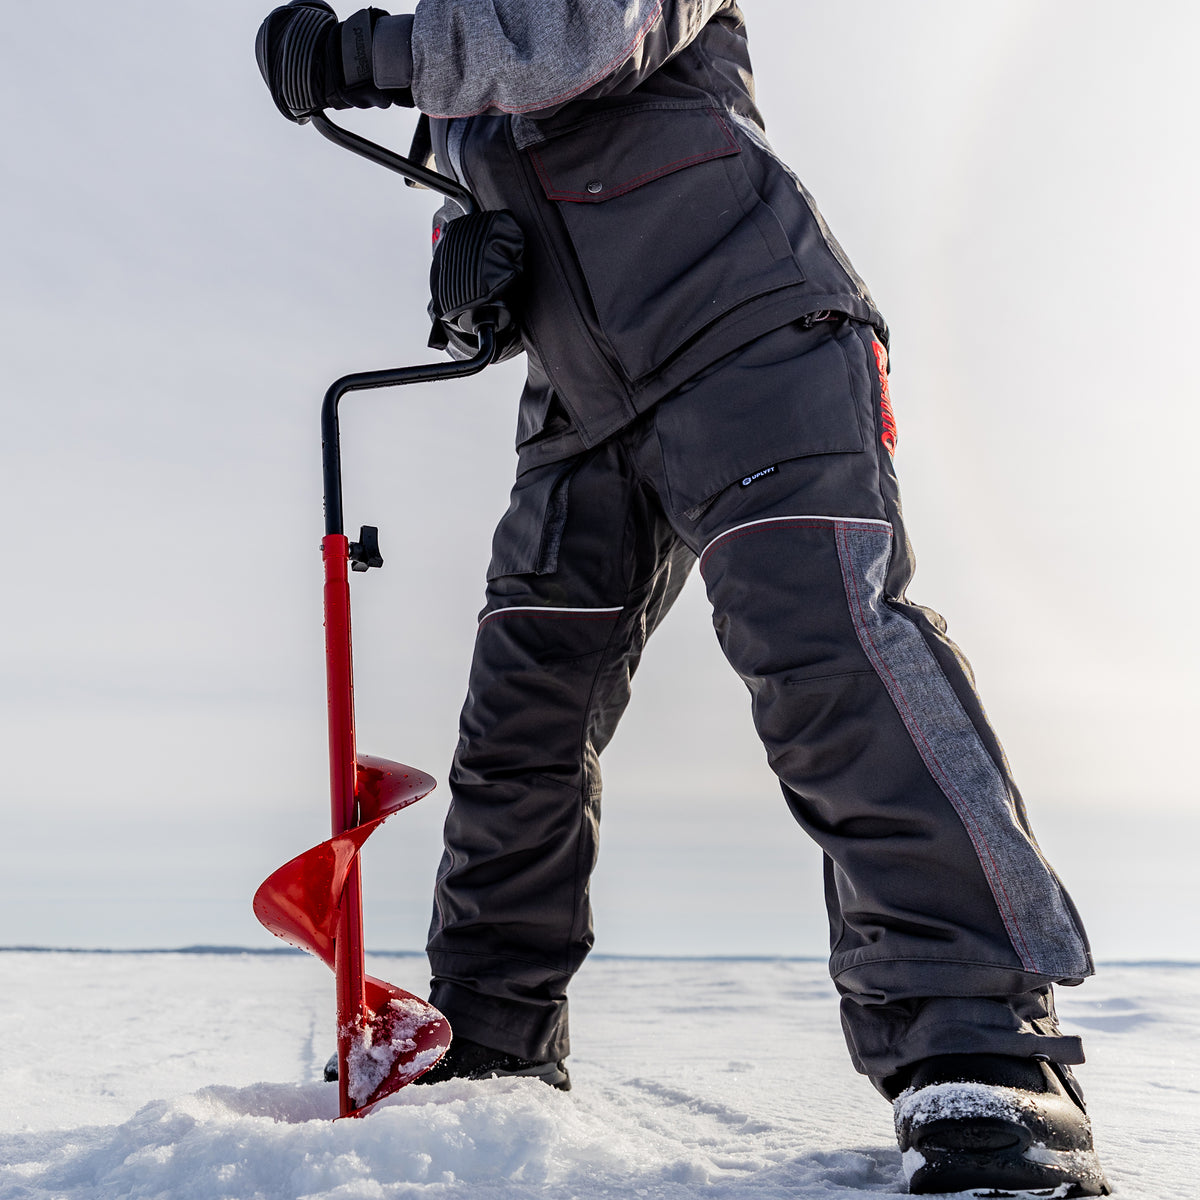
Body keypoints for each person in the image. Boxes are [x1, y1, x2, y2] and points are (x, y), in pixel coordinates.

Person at [255, 3, 1109, 1193]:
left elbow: (577, 36)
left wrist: (357, 56)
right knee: (522, 719)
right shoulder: (466, 64)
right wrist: (472, 284)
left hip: (751, 333)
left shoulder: (503, 28)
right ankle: (494, 1040)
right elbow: (499, 201)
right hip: (578, 407)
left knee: (824, 659)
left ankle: (977, 1049)